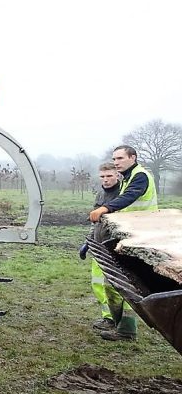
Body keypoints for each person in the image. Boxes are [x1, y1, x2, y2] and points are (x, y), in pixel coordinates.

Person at [88, 145, 159, 341]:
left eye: (120, 158)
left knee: (125, 284)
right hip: (127, 235)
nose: (117, 162)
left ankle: (126, 329)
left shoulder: (140, 176)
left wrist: (105, 208)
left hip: (138, 235)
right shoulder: (128, 177)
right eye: (115, 159)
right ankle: (120, 326)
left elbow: (129, 197)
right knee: (113, 283)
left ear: (133, 157)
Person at [79, 163, 120, 332]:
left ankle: (121, 321)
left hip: (115, 246)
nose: (106, 180)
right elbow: (95, 221)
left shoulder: (123, 195)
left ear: (117, 175)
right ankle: (108, 317)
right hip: (99, 244)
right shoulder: (101, 194)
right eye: (102, 176)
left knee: (114, 286)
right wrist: (88, 241)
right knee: (97, 283)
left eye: (109, 176)